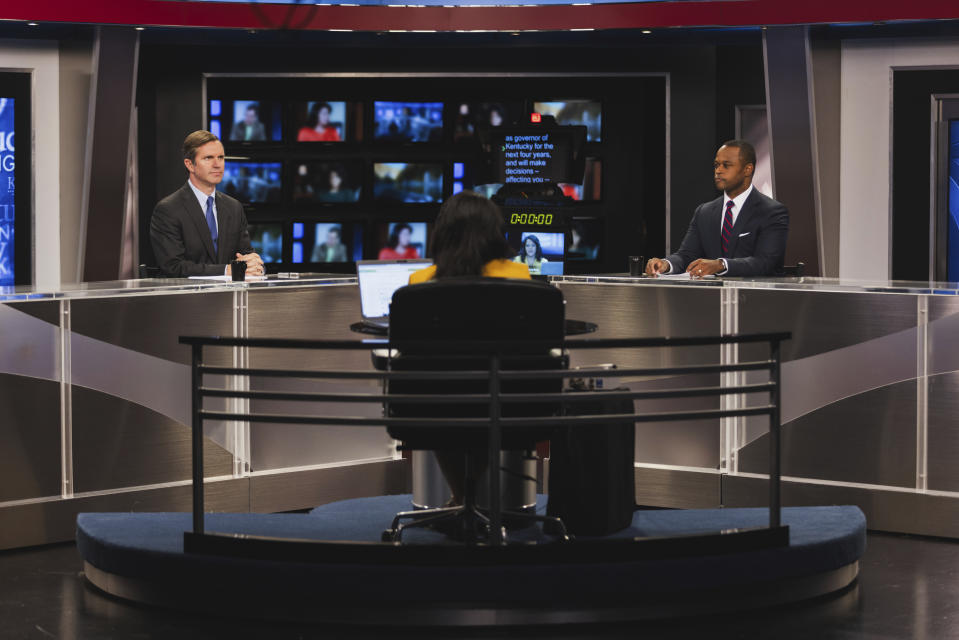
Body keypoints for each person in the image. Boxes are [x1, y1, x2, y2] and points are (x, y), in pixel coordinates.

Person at [407, 191, 530, 505]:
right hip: (510, 403)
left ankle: (462, 499)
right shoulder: (519, 277)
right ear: (493, 232)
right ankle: (468, 500)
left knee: (440, 408)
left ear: (443, 233)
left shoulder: (419, 283)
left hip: (437, 407)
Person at [645, 139, 789, 278]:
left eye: (726, 165)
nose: (718, 171)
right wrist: (666, 264)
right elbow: (686, 255)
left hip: (757, 298)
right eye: (716, 165)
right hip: (712, 299)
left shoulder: (772, 212)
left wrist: (721, 265)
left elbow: (765, 262)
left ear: (747, 169)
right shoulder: (704, 212)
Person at [150, 130, 264, 277]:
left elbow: (245, 255)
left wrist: (255, 266)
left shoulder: (234, 207)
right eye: (208, 158)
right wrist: (226, 271)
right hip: (187, 297)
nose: (217, 165)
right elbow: (173, 267)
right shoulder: (168, 210)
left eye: (221, 157)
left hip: (229, 297)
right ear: (190, 165)